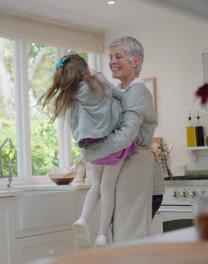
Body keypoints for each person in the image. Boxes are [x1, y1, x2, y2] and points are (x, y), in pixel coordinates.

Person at [39, 54, 138, 248]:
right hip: (111, 141)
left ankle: (83, 219)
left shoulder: (72, 93)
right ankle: (101, 235)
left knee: (97, 185)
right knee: (108, 188)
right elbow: (118, 96)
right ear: (84, 69)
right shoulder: (99, 79)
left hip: (92, 146)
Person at [82, 36, 159, 243]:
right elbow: (116, 95)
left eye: (118, 56)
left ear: (135, 61)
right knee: (123, 235)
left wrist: (92, 152)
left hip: (137, 165)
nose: (112, 61)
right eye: (110, 57)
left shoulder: (138, 92)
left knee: (129, 235)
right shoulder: (127, 92)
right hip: (128, 163)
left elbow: (126, 135)